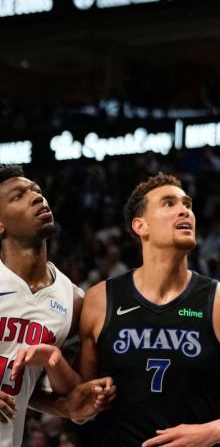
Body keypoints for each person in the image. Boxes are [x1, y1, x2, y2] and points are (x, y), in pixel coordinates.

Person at [79, 174, 220, 445]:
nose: (185, 211)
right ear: (140, 225)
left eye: (187, 204)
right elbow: (80, 406)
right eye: (169, 203)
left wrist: (215, 430)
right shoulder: (101, 300)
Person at [0, 168, 117, 445]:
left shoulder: (73, 300)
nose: (36, 198)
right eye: (19, 196)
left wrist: (66, 406)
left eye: (37, 192)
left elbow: (32, 391)